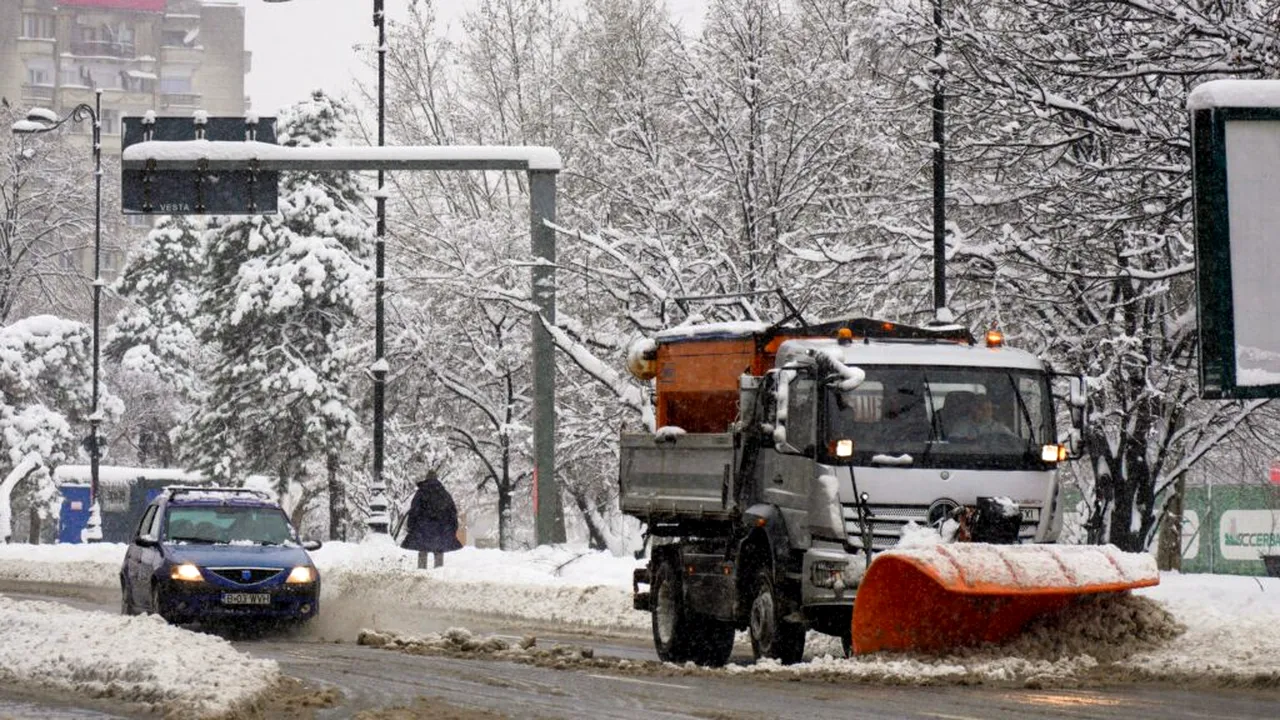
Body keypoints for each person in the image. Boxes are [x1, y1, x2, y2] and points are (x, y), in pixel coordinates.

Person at [401, 470, 463, 569]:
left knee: (422, 550)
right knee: (438, 550)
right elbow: (452, 512)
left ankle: (421, 573)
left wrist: (411, 525)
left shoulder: (421, 493)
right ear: (437, 478)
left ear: (426, 478)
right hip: (440, 529)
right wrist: (453, 528)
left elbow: (414, 510)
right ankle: (437, 573)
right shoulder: (444, 494)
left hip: (423, 529)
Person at [947, 392, 1014, 440]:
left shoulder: (998, 427)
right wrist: (967, 440)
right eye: (981, 408)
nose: (985, 412)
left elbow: (1014, 441)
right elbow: (953, 440)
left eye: (988, 409)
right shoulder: (962, 424)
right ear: (972, 409)